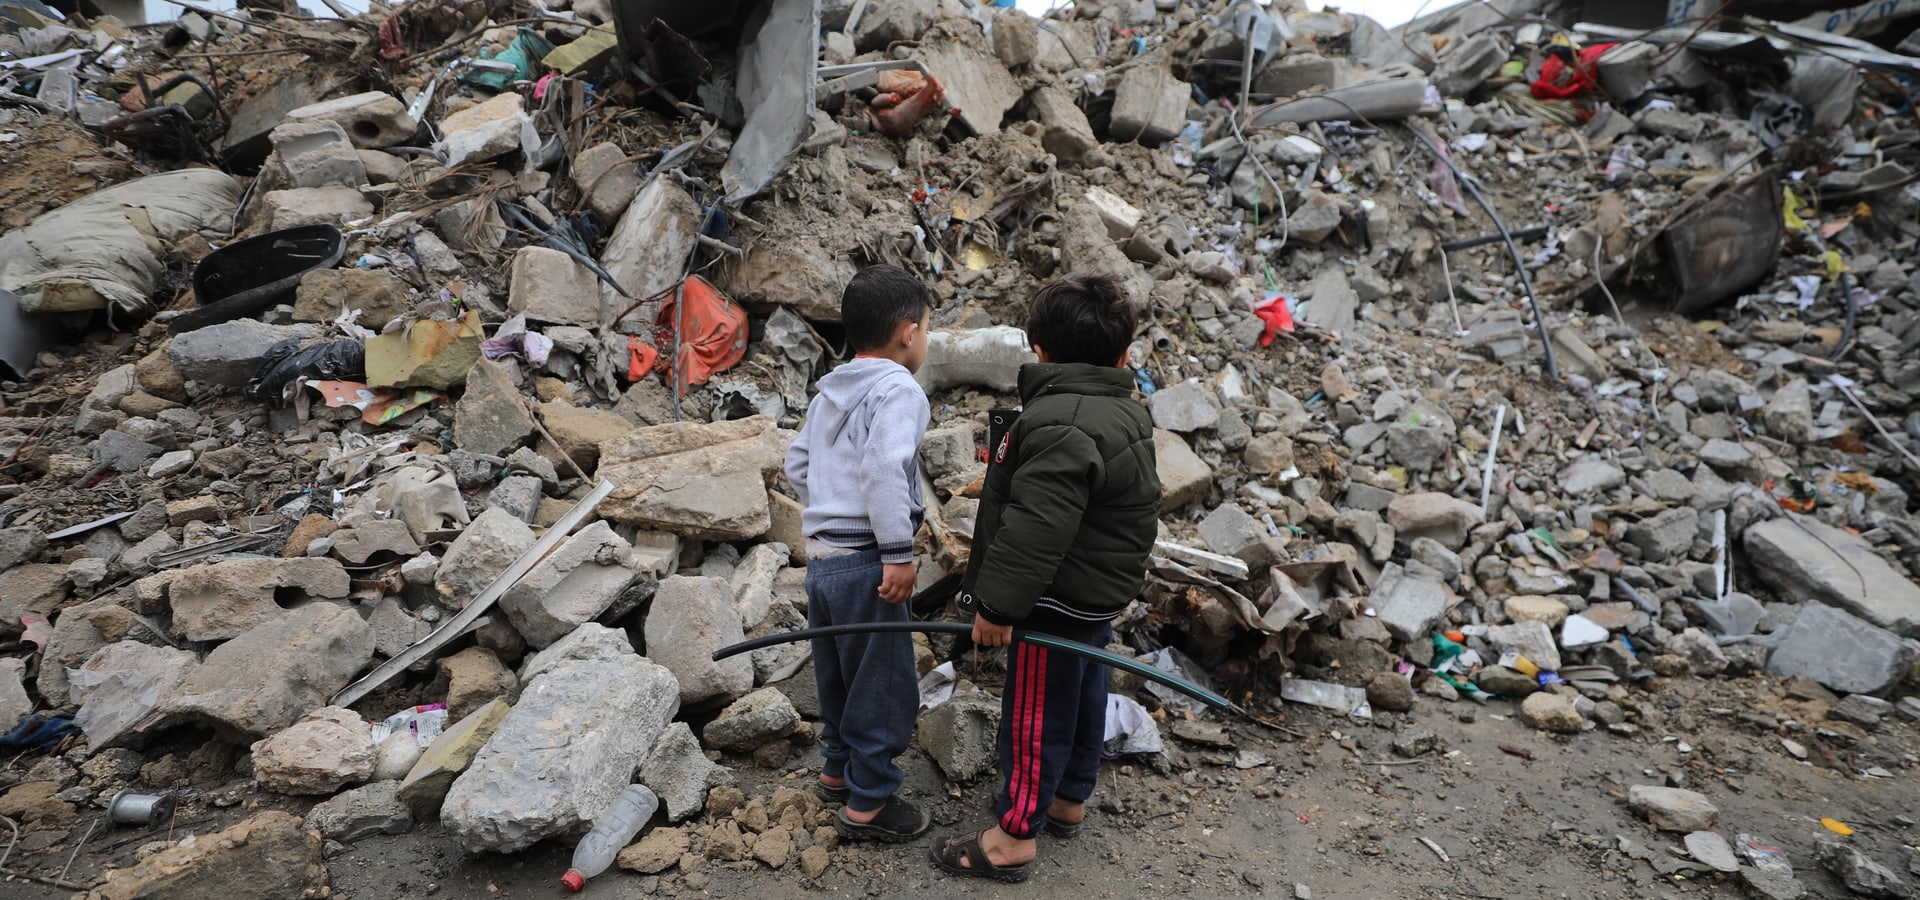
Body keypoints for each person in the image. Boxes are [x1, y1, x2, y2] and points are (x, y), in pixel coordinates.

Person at [932, 272, 1160, 882]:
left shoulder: (1060, 422)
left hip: (1053, 599)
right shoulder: (1122, 410)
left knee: (1035, 712)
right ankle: (1066, 799)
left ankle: (1012, 837)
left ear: (1039, 350)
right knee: (1084, 690)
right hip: (1094, 595)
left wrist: (998, 607)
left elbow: (1037, 528)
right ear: (1123, 356)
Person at [783, 264, 935, 843]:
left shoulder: (833, 389)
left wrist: (826, 507)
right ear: (906, 332)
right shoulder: (899, 388)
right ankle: (869, 803)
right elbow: (882, 467)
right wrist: (896, 553)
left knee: (838, 673)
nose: (924, 339)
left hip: (823, 562)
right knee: (883, 682)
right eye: (926, 327)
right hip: (867, 560)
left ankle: (837, 769)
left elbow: (797, 464)